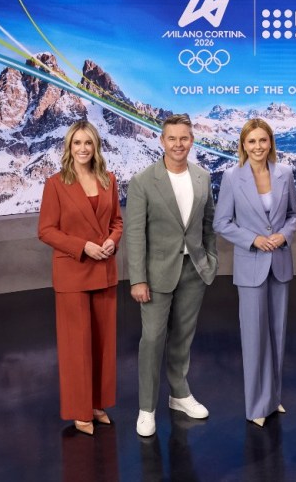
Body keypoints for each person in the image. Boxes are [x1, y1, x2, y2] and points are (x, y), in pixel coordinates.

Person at [125, 114, 218, 438]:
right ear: (162, 141)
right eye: (172, 138)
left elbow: (207, 224)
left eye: (184, 138)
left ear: (192, 140)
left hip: (193, 270)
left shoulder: (202, 177)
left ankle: (179, 394)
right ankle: (147, 408)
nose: (179, 144)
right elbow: (134, 234)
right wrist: (137, 279)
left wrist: (210, 261)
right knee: (152, 340)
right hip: (155, 274)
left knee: (182, 338)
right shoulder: (142, 181)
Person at [213, 118, 296, 427]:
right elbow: (221, 223)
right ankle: (256, 407)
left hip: (279, 264)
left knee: (277, 335)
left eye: (263, 140)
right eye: (252, 142)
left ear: (271, 143)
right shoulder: (232, 177)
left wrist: (283, 235)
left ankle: (273, 399)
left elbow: (293, 215)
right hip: (250, 266)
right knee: (254, 338)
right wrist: (253, 239)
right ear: (243, 145)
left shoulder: (285, 174)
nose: (258, 146)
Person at [38, 120, 123, 435]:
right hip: (74, 273)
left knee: (103, 345)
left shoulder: (108, 180)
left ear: (96, 146)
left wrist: (113, 239)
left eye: (88, 143)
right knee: (77, 347)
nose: (83, 148)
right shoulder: (56, 184)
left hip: (104, 271)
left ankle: (97, 404)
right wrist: (83, 247)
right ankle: (79, 410)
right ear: (69, 147)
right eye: (77, 143)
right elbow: (46, 230)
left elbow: (117, 221)